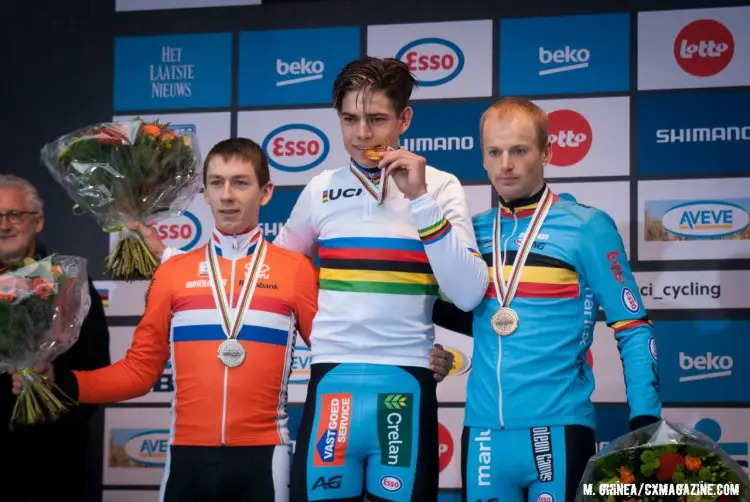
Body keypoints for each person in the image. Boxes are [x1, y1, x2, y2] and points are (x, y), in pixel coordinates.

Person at [142, 56, 488, 502]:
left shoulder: (439, 187)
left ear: (405, 118)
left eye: (377, 119)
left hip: (406, 381)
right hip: (332, 382)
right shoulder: (320, 189)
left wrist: (419, 200)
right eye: (350, 119)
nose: (363, 134)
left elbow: (467, 293)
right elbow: (263, 268)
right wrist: (172, 258)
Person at [13, 139, 320, 502]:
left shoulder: (295, 271)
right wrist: (59, 383)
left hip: (266, 458)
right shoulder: (174, 273)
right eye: (216, 183)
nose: (227, 195)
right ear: (203, 193)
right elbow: (140, 371)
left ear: (265, 192)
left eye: (240, 182)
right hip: (187, 458)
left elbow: (333, 354)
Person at [434, 97, 662, 502]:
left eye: (519, 150)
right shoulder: (472, 232)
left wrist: (646, 419)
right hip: (484, 432)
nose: (506, 164)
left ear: (547, 152)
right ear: (483, 158)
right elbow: (454, 311)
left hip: (558, 427)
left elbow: (632, 326)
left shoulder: (587, 227)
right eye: (494, 152)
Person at [0, 174, 111, 502]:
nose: (4, 225)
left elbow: (95, 367)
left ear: (38, 221)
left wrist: (51, 384)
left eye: (15, 214)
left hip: (56, 462)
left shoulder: (69, 283)